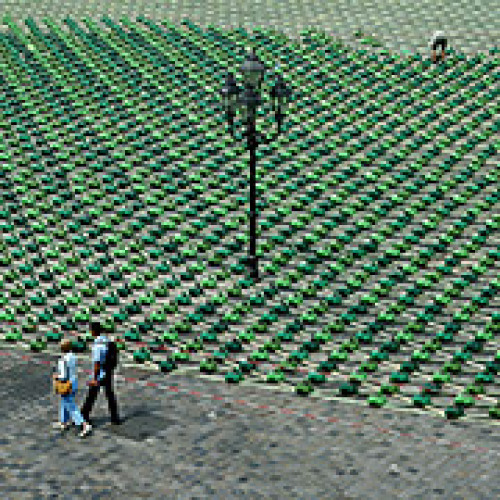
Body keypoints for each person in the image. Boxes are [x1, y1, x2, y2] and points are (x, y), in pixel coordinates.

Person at [80, 322, 121, 425]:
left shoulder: (97, 346)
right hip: (108, 371)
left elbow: (97, 363)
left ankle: (84, 415)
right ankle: (115, 417)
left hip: (101, 373)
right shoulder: (106, 341)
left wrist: (94, 377)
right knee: (109, 394)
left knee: (92, 394)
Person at [52, 339, 92, 438]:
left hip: (66, 383)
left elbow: (63, 375)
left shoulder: (63, 360)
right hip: (73, 382)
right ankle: (63, 422)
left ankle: (84, 424)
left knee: (70, 405)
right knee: (65, 402)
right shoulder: (73, 356)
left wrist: (56, 376)